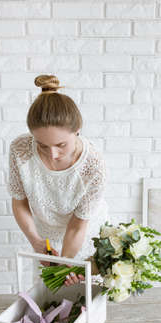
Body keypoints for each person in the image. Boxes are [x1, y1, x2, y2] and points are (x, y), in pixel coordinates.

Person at [7, 74, 110, 288]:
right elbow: (19, 202)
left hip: (83, 235)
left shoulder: (94, 166)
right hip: (44, 237)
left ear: (77, 129)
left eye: (61, 145)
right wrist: (37, 242)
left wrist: (66, 265)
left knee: (81, 298)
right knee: (46, 297)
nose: (52, 154)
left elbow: (77, 226)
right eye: (43, 145)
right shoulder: (20, 150)